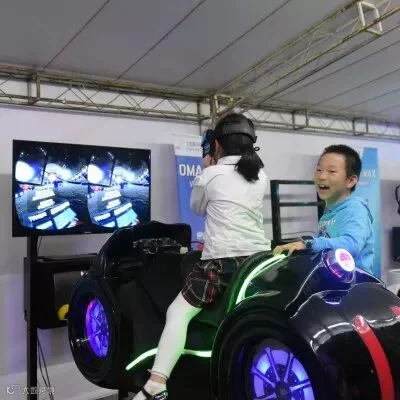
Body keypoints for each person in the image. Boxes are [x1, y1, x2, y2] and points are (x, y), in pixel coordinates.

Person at [133, 113, 271, 399]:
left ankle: (156, 385)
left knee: (177, 313)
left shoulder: (210, 174)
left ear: (217, 144)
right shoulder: (261, 175)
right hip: (257, 261)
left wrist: (208, 167)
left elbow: (197, 208)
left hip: (220, 261)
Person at [273, 144, 374, 272]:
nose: (321, 176)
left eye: (331, 171)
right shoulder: (330, 211)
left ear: (350, 181)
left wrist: (310, 244)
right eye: (319, 169)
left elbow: (351, 245)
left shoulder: (356, 209)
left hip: (357, 283)